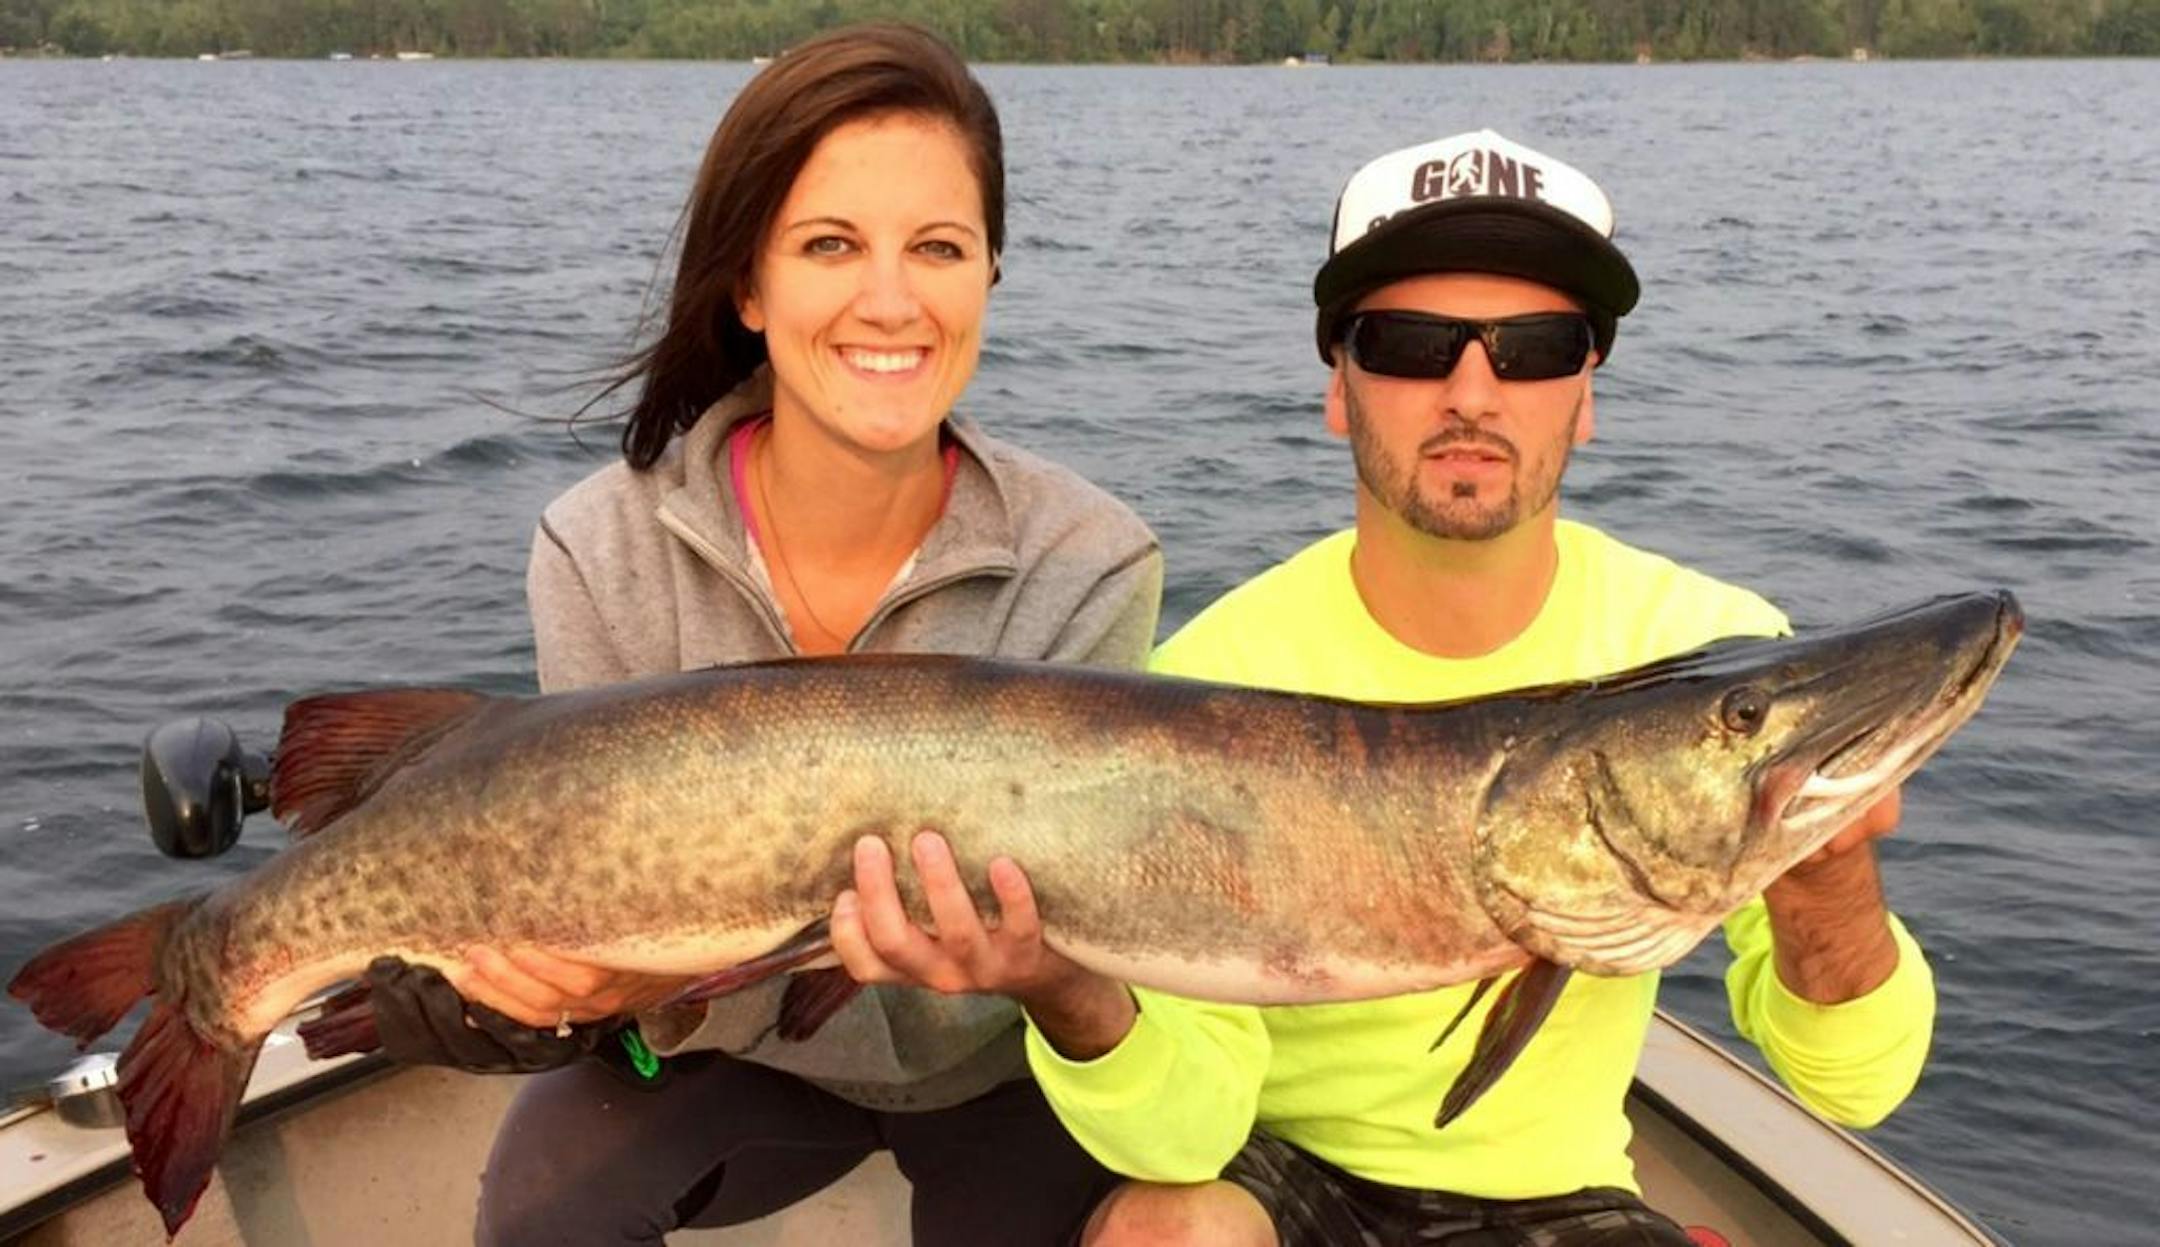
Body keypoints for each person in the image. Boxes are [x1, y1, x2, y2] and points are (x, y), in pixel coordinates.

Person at [829, 129, 1934, 1246]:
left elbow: (1854, 1085)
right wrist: (1063, 987)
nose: (1472, 391)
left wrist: (1826, 870)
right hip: (1278, 1171)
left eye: (1536, 347)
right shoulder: (1215, 677)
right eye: (1409, 344)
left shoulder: (1706, 643)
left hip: (1567, 1197)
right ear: (1340, 390)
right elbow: (1184, 1134)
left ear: (1585, 393)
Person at [353, 23, 1161, 1247]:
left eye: (937, 247)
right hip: (728, 1053)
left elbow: (1102, 945)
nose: (889, 299)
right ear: (748, 284)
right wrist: (564, 993)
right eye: (830, 244)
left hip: (998, 1067)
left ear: (990, 271)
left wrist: (1043, 973)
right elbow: (615, 926)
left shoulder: (1092, 558)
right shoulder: (597, 548)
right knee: (541, 1209)